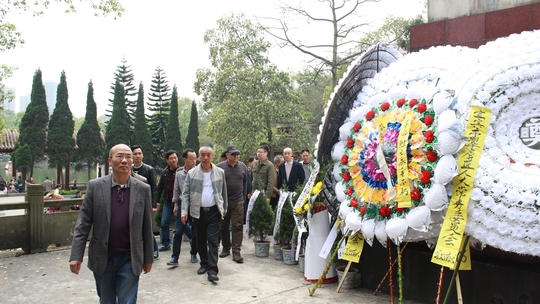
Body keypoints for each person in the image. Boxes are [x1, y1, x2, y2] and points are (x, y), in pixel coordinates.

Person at [69, 144, 153, 303]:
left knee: (126, 300)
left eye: (128, 157)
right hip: (103, 256)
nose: (124, 161)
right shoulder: (95, 187)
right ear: (110, 160)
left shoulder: (143, 189)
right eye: (119, 156)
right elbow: (83, 224)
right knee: (106, 300)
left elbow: (146, 226)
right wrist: (76, 256)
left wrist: (148, 258)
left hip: (130, 257)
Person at [181, 146, 227, 282]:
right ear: (199, 157)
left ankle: (213, 270)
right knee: (200, 240)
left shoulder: (220, 172)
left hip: (214, 211)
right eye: (203, 155)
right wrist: (184, 211)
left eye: (208, 155)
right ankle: (204, 264)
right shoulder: (192, 173)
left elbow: (224, 191)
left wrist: (224, 208)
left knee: (213, 240)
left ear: (212, 156)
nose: (206, 158)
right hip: (198, 212)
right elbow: (185, 193)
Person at [217, 145, 247, 263]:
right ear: (227, 155)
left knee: (237, 226)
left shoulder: (243, 166)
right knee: (223, 226)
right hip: (224, 202)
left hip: (238, 201)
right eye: (233, 154)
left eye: (237, 154)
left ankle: (236, 251)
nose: (236, 157)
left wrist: (242, 197)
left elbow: (245, 183)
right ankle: (226, 247)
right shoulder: (220, 167)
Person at [131, 145, 159, 260]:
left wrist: (153, 204)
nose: (138, 156)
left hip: (146, 202)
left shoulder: (149, 169)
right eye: (135, 154)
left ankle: (153, 250)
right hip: (132, 202)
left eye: (139, 153)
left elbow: (154, 187)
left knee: (146, 227)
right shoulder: (129, 168)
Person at [171, 148, 198, 265]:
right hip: (183, 204)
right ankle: (174, 257)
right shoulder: (179, 174)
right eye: (191, 159)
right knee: (178, 231)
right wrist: (176, 204)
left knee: (195, 231)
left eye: (195, 159)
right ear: (184, 159)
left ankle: (193, 253)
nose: (194, 161)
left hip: (196, 204)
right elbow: (176, 190)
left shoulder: (199, 172)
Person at [156, 150, 180, 252]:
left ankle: (193, 239)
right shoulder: (164, 173)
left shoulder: (181, 171)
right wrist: (156, 201)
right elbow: (160, 187)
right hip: (167, 202)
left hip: (179, 202)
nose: (173, 160)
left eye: (175, 158)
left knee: (183, 224)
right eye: (171, 158)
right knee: (164, 222)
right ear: (167, 160)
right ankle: (166, 244)